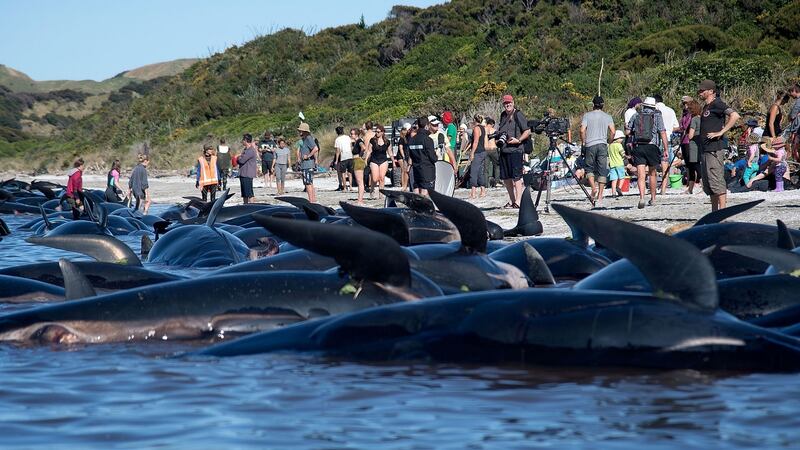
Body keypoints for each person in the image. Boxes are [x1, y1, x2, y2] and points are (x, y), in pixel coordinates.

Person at [697, 79, 740, 211]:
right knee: (709, 183)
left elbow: (734, 115)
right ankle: (714, 211)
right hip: (705, 149)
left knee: (716, 179)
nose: (700, 92)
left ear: (711, 91)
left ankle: (722, 210)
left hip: (714, 149)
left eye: (702, 90)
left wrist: (721, 132)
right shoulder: (706, 106)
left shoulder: (718, 103)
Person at [625, 96, 669, 209]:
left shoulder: (636, 115)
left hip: (639, 147)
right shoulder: (657, 115)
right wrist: (666, 149)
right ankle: (653, 199)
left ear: (644, 105)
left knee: (641, 175)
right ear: (653, 106)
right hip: (652, 146)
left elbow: (628, 131)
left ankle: (641, 197)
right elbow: (663, 132)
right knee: (652, 174)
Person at [580, 95, 615, 205]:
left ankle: (593, 188)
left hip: (590, 144)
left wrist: (583, 142)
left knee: (589, 168)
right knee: (602, 170)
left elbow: (582, 130)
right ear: (603, 105)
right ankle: (600, 195)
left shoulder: (587, 116)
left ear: (593, 104)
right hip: (602, 144)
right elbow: (613, 131)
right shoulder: (608, 116)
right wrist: (609, 141)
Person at [497, 94, 531, 208]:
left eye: (509, 102)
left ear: (513, 102)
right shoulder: (502, 115)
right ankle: (512, 200)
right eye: (506, 103)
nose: (508, 104)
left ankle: (519, 201)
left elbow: (527, 131)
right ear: (503, 104)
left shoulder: (518, 114)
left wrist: (518, 140)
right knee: (506, 178)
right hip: (504, 150)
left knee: (516, 176)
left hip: (516, 150)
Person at [407, 115, 438, 195]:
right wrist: (436, 154)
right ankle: (424, 207)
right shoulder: (428, 140)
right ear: (427, 126)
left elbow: (410, 156)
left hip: (416, 171)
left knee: (416, 190)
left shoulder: (412, 140)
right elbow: (433, 158)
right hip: (427, 171)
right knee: (425, 192)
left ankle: (416, 207)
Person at [366, 124, 391, 200]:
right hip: (374, 160)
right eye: (376, 132)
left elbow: (390, 152)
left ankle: (381, 193)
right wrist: (365, 160)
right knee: (375, 178)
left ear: (383, 132)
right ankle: (372, 190)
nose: (376, 133)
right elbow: (369, 151)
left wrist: (393, 160)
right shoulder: (372, 140)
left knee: (382, 178)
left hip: (383, 160)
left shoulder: (387, 142)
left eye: (378, 132)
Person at [683, 99, 703, 194]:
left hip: (693, 145)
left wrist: (686, 134)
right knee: (697, 165)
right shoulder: (702, 118)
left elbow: (690, 135)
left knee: (694, 166)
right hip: (701, 144)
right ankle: (690, 189)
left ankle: (702, 187)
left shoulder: (694, 119)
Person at [296, 122, 319, 203]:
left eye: (300, 131)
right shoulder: (305, 139)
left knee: (308, 183)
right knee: (310, 183)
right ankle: (312, 199)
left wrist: (308, 156)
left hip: (307, 164)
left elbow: (316, 148)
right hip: (307, 164)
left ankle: (311, 200)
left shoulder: (308, 138)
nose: (299, 132)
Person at [468, 115, 488, 198]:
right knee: (480, 172)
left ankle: (473, 192)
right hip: (483, 151)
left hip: (478, 152)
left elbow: (475, 141)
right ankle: (483, 190)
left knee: (474, 171)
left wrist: (472, 153)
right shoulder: (483, 128)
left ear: (474, 120)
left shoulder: (476, 128)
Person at [237, 133, 258, 204]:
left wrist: (238, 157)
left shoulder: (250, 150)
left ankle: (251, 206)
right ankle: (245, 206)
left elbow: (241, 160)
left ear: (246, 140)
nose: (242, 141)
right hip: (244, 173)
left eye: (243, 140)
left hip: (247, 174)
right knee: (244, 193)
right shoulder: (246, 149)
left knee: (249, 193)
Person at [333, 126, 354, 192]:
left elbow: (338, 151)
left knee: (343, 173)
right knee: (350, 173)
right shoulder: (348, 137)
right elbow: (351, 146)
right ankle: (350, 187)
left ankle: (344, 188)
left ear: (337, 132)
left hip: (343, 156)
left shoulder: (337, 139)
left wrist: (336, 160)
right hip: (350, 155)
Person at [607, 130, 626, 200]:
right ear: (617, 138)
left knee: (614, 179)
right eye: (621, 138)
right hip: (619, 164)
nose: (622, 140)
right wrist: (626, 157)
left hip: (612, 165)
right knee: (622, 177)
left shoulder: (610, 146)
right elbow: (623, 154)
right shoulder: (619, 145)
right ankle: (619, 188)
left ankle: (613, 193)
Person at [351, 128, 367, 204]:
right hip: (356, 160)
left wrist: (360, 155)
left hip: (358, 160)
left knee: (360, 181)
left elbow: (363, 147)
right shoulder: (356, 142)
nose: (351, 135)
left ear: (356, 134)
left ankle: (360, 199)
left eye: (352, 134)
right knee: (359, 181)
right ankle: (360, 198)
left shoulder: (359, 141)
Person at [785, 83, 800, 161]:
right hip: (797, 128)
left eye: (791, 92)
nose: (790, 95)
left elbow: (792, 115)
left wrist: (790, 117)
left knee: (795, 148)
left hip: (797, 129)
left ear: (794, 91)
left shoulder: (799, 101)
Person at [395, 124, 409, 190]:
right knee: (403, 170)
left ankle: (404, 184)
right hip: (401, 156)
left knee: (404, 170)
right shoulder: (401, 139)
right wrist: (403, 156)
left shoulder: (407, 138)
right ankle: (403, 184)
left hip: (405, 155)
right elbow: (400, 148)